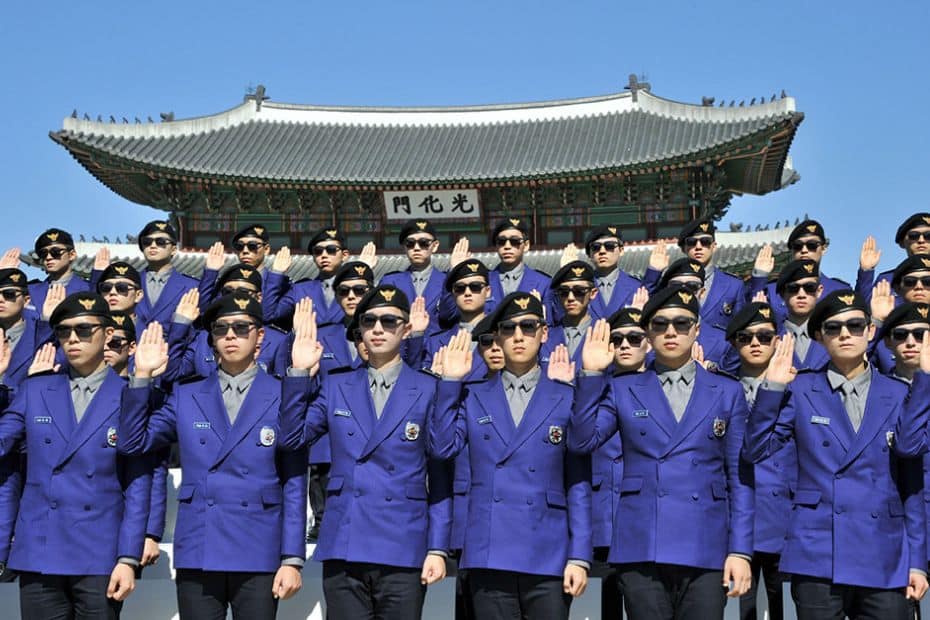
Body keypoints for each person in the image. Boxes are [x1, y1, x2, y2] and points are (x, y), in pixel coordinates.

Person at [570, 285, 754, 620]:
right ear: (648, 333)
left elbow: (739, 477)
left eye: (682, 323)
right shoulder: (622, 388)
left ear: (696, 330)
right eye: (660, 324)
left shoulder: (727, 391)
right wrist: (592, 375)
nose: (671, 331)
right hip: (642, 543)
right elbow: (582, 442)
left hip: (706, 544)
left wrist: (740, 551)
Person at [119, 292, 308, 619]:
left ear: (259, 335)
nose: (230, 335)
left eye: (240, 327)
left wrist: (291, 558)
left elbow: (294, 480)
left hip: (258, 545)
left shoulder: (282, 393)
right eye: (221, 329)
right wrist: (142, 378)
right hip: (200, 543)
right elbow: (133, 443)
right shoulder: (186, 394)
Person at [743, 290, 929, 619]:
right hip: (817, 550)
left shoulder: (900, 392)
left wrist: (917, 561)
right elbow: (756, 450)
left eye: (856, 325)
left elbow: (911, 474)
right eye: (833, 328)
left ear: (871, 332)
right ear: (818, 337)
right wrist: (770, 390)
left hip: (883, 552)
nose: (845, 334)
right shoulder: (801, 389)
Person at [281, 285, 450, 619]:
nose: (377, 328)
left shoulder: (430, 387)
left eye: (389, 321)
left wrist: (438, 547)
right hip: (346, 540)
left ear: (406, 328)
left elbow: (442, 469)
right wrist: (299, 374)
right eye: (369, 321)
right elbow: (290, 438)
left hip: (404, 542)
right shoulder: (335, 385)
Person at [432, 292, 592, 620]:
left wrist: (579, 556)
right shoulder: (472, 395)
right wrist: (449, 382)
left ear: (545, 333)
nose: (518, 336)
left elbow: (578, 483)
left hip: (548, 550)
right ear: (499, 337)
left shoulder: (565, 397)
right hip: (490, 548)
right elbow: (441, 448)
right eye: (509, 329)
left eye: (528, 326)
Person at [0, 292, 151, 619]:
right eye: (64, 332)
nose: (72, 339)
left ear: (108, 334)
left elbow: (138, 485)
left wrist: (128, 558)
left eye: (83, 330)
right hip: (41, 546)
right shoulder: (35, 389)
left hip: (99, 552)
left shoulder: (130, 397)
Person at [725, 302, 791, 620]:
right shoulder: (719, 388)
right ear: (735, 342)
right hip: (734, 519)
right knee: (740, 611)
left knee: (786, 610)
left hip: (786, 517)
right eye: (746, 336)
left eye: (764, 336)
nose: (755, 343)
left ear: (777, 340)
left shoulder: (800, 388)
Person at [439, 217, 550, 324]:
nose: (507, 246)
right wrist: (455, 273)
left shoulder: (543, 283)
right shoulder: (481, 281)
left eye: (514, 241)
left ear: (525, 245)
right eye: (501, 241)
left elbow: (552, 326)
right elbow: (448, 315)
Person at [130, 220, 220, 329]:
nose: (153, 246)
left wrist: (210, 272)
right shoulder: (128, 284)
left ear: (173, 249)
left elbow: (204, 316)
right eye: (147, 242)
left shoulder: (190, 286)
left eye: (161, 242)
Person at [749, 219, 848, 314]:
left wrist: (864, 274)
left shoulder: (839, 290)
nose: (804, 250)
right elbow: (751, 316)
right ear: (792, 251)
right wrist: (759, 277)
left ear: (823, 249)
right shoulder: (773, 290)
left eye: (812, 245)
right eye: (798, 246)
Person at [264, 227, 357, 327]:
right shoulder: (300, 289)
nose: (324, 255)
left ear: (345, 255)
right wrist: (276, 273)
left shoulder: (358, 289)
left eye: (331, 250)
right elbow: (268, 315)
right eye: (318, 251)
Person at [659, 257, 738, 373]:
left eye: (692, 287)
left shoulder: (724, 341)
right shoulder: (653, 337)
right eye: (676, 286)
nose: (683, 293)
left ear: (702, 293)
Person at [420, 259, 491, 380]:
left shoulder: (502, 337)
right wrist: (434, 379)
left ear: (488, 291)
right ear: (453, 293)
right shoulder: (435, 342)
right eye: (460, 288)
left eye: (475, 287)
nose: (467, 293)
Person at [381, 219, 448, 327]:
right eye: (410, 243)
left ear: (434, 246)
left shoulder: (447, 281)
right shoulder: (390, 281)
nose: (416, 248)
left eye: (424, 243)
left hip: (439, 343)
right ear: (404, 247)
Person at [855, 212, 930, 304]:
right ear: (902, 243)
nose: (921, 240)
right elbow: (863, 308)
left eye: (928, 236)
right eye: (914, 236)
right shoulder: (888, 280)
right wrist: (866, 271)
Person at [581, 225, 651, 320]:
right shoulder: (580, 288)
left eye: (609, 246)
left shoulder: (636, 286)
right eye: (596, 247)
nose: (602, 251)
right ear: (589, 254)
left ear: (621, 250)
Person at [774, 259, 830, 370]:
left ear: (819, 291)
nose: (801, 294)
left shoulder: (832, 334)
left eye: (809, 287)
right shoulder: (769, 336)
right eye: (793, 288)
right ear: (782, 294)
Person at [542, 260, 597, 366]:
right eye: (564, 292)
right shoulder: (546, 336)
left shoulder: (604, 334)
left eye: (579, 291)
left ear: (593, 293)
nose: (570, 298)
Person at [27, 228, 90, 318]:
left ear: (72, 255)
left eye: (55, 252)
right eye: (43, 253)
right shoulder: (29, 292)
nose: (48, 257)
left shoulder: (89, 289)